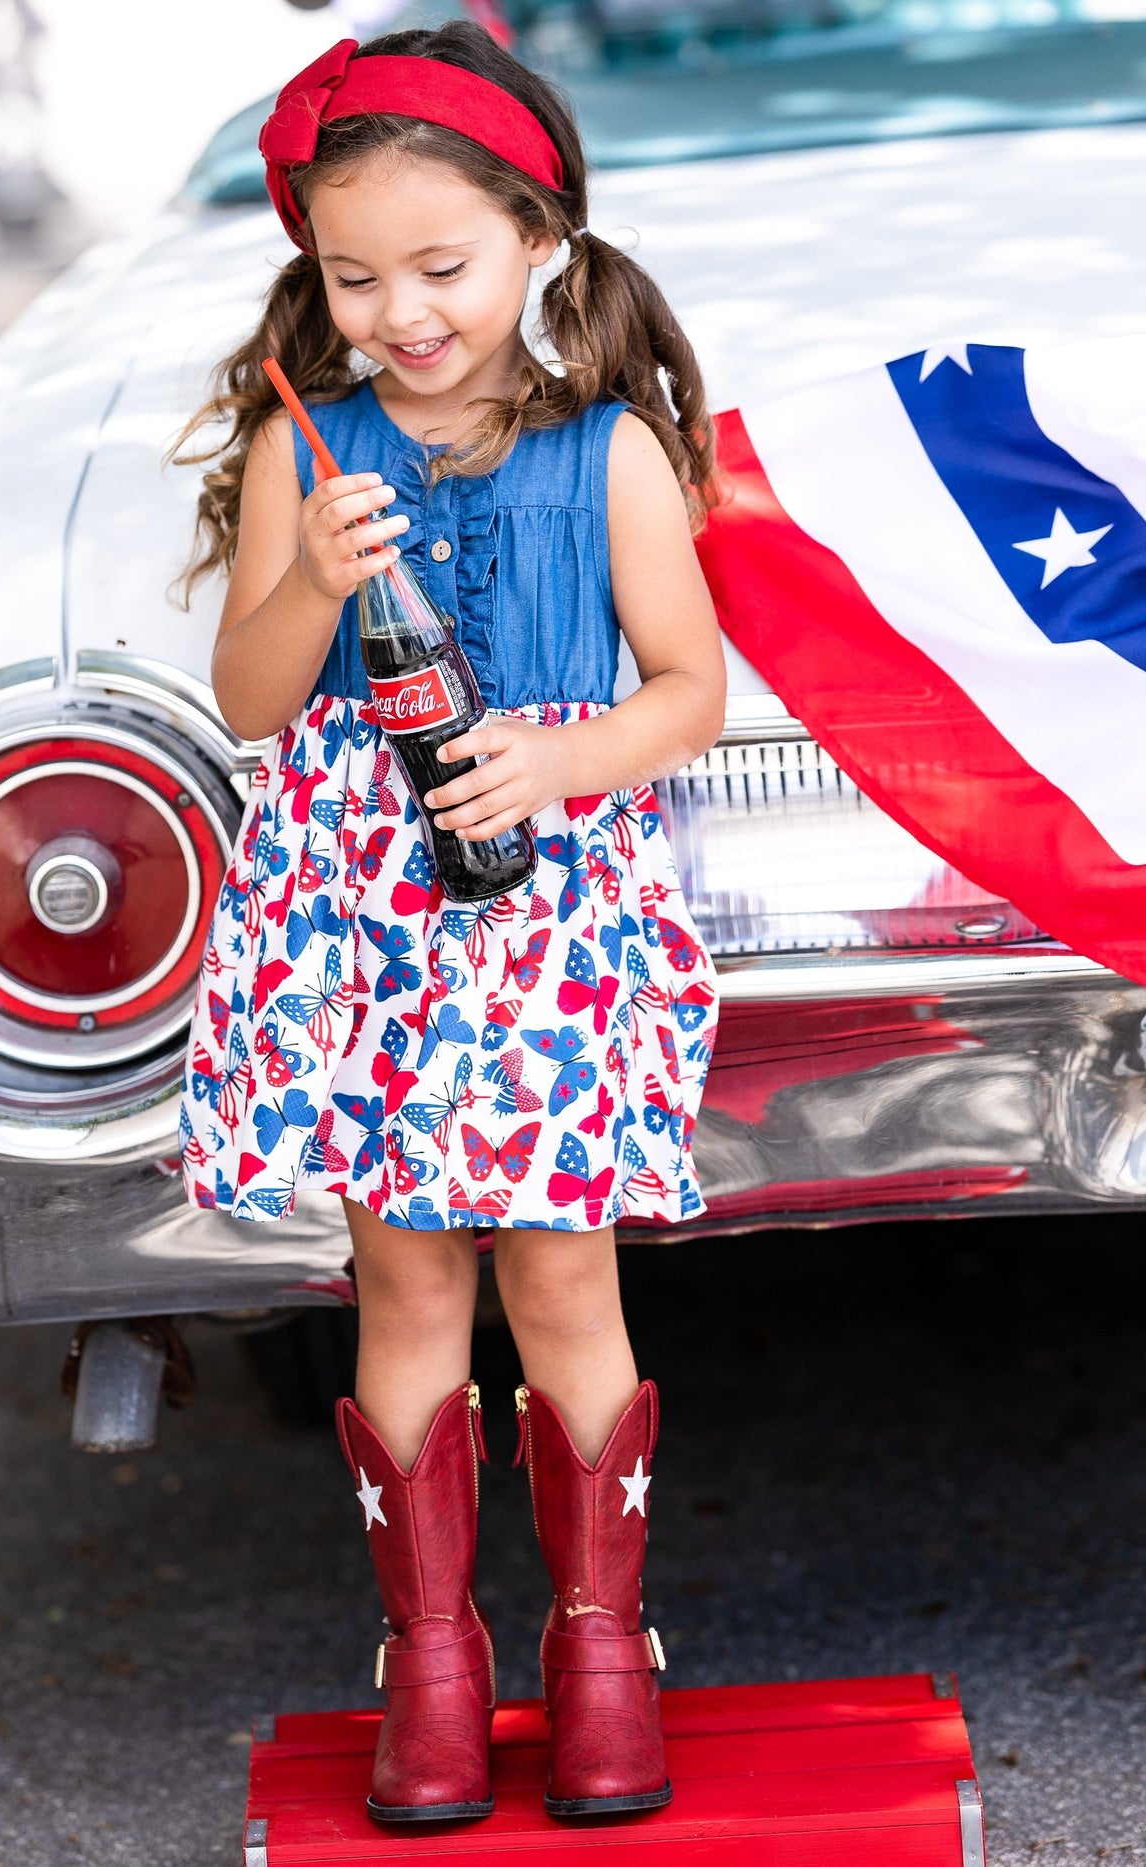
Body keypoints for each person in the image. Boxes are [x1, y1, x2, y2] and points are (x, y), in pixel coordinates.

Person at [172, 19, 725, 1825]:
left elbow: (688, 693)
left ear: (538, 242)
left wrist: (560, 769)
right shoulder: (301, 452)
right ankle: (431, 1659)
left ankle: (598, 1654)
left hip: (545, 918)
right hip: (367, 932)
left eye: (443, 266)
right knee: (404, 1278)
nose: (403, 311)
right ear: (308, 281)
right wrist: (314, 579)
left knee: (561, 1277)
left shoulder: (613, 453)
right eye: (354, 277)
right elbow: (254, 701)